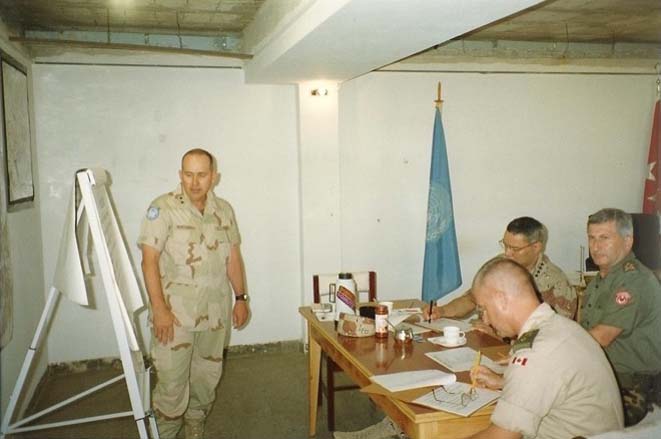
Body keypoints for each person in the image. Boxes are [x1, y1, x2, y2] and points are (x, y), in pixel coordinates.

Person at [138, 148, 250, 439]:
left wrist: (241, 298)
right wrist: (159, 309)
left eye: (201, 174)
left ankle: (196, 424)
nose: (194, 181)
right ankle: (166, 432)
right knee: (172, 384)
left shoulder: (223, 211)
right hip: (175, 317)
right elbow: (148, 262)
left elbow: (233, 258)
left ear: (214, 177)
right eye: (188, 174)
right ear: (180, 175)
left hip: (214, 314)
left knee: (206, 378)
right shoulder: (162, 209)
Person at [467, 257, 623, 439]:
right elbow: (553, 383)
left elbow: (503, 436)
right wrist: (505, 383)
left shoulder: (537, 352)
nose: (485, 319)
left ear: (501, 299)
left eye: (484, 309)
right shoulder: (561, 327)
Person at [580, 208, 661, 426]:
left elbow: (600, 337)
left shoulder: (634, 280)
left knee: (573, 419)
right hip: (602, 375)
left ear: (627, 241)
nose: (595, 246)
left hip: (632, 386)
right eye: (592, 238)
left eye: (604, 238)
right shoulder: (600, 280)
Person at [425, 217, 576, 321]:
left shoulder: (557, 284)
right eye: (505, 245)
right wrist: (442, 311)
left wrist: (501, 335)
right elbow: (471, 298)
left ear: (536, 247)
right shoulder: (498, 265)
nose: (507, 253)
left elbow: (553, 335)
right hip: (484, 339)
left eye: (515, 248)